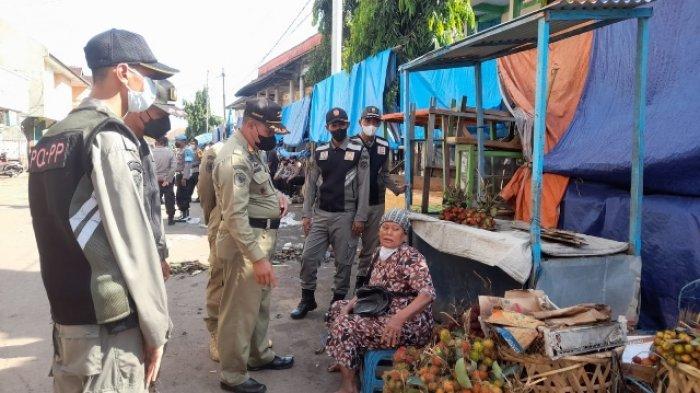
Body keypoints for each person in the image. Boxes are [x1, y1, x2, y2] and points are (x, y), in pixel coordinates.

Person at [28, 28, 177, 392]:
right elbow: (134, 242)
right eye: (149, 75)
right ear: (124, 72)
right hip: (109, 329)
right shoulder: (107, 137)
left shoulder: (50, 140)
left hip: (67, 322)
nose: (151, 86)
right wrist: (157, 329)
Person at [213, 97, 294, 393]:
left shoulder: (252, 149)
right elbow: (234, 216)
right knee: (238, 311)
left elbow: (258, 190)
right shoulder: (233, 158)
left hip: (259, 240)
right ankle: (232, 375)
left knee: (259, 305)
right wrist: (258, 259)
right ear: (251, 125)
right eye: (269, 131)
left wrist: (278, 199)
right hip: (244, 246)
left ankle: (259, 355)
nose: (272, 137)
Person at [326, 209, 435, 393]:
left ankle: (349, 386)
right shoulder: (378, 253)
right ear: (378, 231)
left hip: (409, 324)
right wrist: (350, 305)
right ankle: (346, 358)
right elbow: (368, 289)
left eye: (395, 229)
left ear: (404, 235)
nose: (388, 232)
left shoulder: (412, 257)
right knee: (337, 309)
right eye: (385, 227)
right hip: (380, 309)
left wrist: (399, 318)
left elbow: (427, 294)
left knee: (345, 326)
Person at [290, 107, 370, 320]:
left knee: (343, 262)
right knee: (308, 257)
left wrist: (361, 217)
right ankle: (307, 298)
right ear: (327, 128)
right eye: (334, 125)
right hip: (321, 215)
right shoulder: (320, 152)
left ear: (348, 124)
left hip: (346, 216)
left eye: (342, 124)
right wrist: (306, 215)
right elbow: (310, 186)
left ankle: (338, 303)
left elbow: (364, 186)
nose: (338, 128)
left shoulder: (358, 150)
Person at [123, 79, 184, 280]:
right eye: (161, 114)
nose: (165, 122)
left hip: (147, 257)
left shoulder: (142, 147)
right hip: (134, 261)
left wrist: (160, 254)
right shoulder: (119, 147)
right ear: (140, 106)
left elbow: (151, 209)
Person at [351, 106, 406, 290]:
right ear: (360, 122)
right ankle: (340, 285)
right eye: (368, 121)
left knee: (371, 244)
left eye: (376, 122)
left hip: (376, 203)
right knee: (347, 244)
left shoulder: (383, 145)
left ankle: (361, 279)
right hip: (351, 204)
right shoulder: (349, 144)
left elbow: (384, 174)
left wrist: (396, 189)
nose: (372, 125)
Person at [198, 140, 224, 361]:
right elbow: (206, 193)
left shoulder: (259, 152)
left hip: (250, 226)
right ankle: (216, 334)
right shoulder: (215, 151)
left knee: (246, 283)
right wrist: (213, 219)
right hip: (223, 222)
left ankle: (246, 333)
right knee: (218, 279)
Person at [153, 136, 177, 225]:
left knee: (155, 200)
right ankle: (170, 218)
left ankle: (155, 220)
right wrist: (168, 179)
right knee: (169, 200)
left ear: (158, 142)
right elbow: (174, 167)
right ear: (164, 143)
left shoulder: (150, 152)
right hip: (167, 181)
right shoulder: (170, 152)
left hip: (154, 181)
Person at [174, 135, 194, 221]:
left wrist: (184, 178)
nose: (176, 142)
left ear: (183, 142)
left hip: (184, 176)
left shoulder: (187, 150)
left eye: (177, 140)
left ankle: (185, 215)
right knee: (179, 195)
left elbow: (188, 165)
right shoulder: (181, 150)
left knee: (183, 195)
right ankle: (183, 213)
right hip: (180, 175)